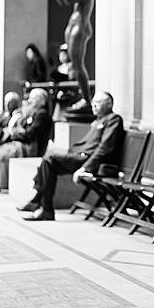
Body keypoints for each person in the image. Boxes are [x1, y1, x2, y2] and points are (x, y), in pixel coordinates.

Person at [20, 91, 124, 221]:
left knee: (49, 160)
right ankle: (40, 204)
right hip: (81, 157)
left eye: (98, 103)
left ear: (109, 104)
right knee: (48, 161)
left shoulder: (114, 119)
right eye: (93, 103)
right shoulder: (98, 121)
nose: (93, 106)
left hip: (92, 162)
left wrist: (85, 168)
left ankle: (42, 205)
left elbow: (104, 148)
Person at [44, 0, 95, 113]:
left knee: (78, 65)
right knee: (74, 64)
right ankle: (84, 99)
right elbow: (63, 1)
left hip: (80, 27)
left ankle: (87, 100)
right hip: (72, 25)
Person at [0, 88, 52, 192]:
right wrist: (16, 133)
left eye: (32, 98)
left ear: (39, 100)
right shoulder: (33, 113)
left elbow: (29, 134)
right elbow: (23, 130)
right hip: (24, 143)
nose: (29, 101)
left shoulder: (42, 114)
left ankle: (0, 183)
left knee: (3, 151)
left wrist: (14, 134)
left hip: (31, 147)